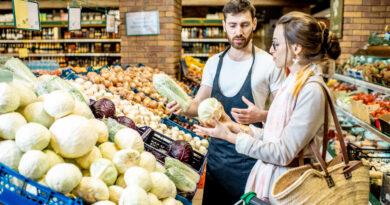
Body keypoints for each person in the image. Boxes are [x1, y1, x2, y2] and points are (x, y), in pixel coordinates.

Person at [194, 11, 341, 204]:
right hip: (277, 182)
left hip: (291, 188)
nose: (271, 50)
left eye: (276, 44)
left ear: (296, 48)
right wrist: (235, 127)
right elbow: (273, 135)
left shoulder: (311, 90)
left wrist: (229, 137)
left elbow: (282, 153)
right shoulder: (293, 82)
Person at [167, 0, 284, 204]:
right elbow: (197, 106)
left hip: (252, 159)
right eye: (233, 25)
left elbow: (282, 113)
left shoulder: (269, 63)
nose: (239, 31)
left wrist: (261, 115)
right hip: (218, 160)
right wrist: (183, 108)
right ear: (224, 26)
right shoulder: (213, 63)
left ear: (254, 23)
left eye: (244, 24)